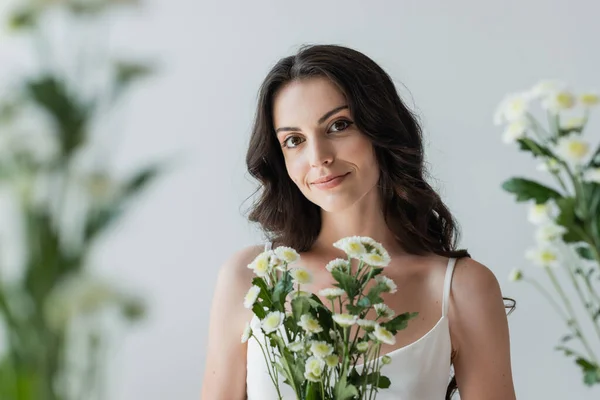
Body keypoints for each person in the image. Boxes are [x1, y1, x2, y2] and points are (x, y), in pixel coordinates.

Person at [201, 44, 516, 400]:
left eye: (339, 125)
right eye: (294, 140)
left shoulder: (460, 289)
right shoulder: (252, 278)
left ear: (380, 129)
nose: (318, 157)